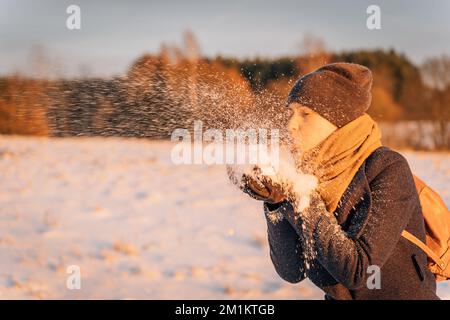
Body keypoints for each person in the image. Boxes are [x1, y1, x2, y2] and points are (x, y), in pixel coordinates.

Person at [241, 62, 439, 300]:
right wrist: (277, 203)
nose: (290, 125)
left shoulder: (387, 167)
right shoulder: (305, 177)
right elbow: (291, 271)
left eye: (306, 114)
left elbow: (358, 270)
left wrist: (300, 196)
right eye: (290, 113)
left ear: (339, 122)